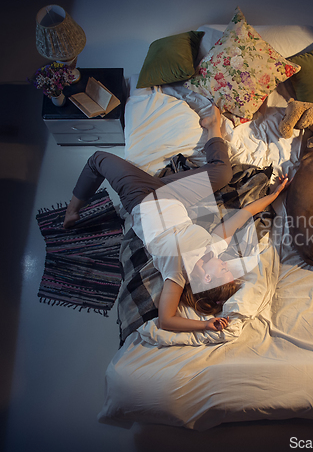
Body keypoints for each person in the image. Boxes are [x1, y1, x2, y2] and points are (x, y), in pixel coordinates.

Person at [64, 105, 287, 333]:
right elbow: (244, 214)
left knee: (98, 159)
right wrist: (274, 195)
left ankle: (72, 210)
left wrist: (204, 325)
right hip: (176, 195)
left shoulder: (177, 273)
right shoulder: (214, 247)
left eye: (223, 269)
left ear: (207, 277)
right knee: (223, 173)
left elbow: (166, 320)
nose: (224, 262)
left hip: (142, 197)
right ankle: (212, 126)